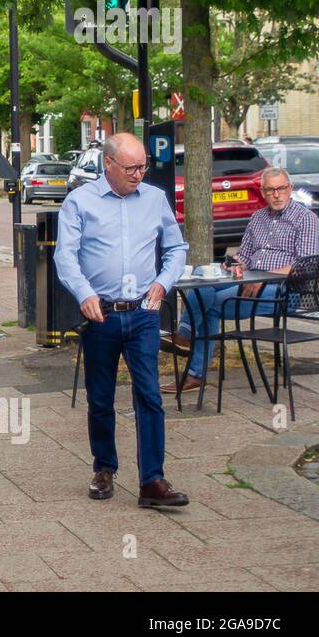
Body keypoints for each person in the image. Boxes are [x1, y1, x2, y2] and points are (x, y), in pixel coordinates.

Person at [54, 133, 190, 508]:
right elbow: (65, 256)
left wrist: (163, 284)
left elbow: (177, 247)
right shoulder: (80, 202)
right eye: (131, 167)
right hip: (102, 314)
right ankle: (104, 467)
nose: (139, 174)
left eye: (143, 166)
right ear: (108, 165)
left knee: (149, 394)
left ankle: (152, 480)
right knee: (100, 397)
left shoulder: (155, 198)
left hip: (144, 312)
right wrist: (84, 294)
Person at [165, 165, 319, 393]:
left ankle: (192, 362)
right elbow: (244, 255)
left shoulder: (305, 219)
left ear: (291, 188)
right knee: (203, 284)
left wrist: (265, 278)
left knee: (210, 306)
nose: (276, 195)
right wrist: (233, 265)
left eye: (281, 189)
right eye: (270, 190)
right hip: (248, 280)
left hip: (286, 290)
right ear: (262, 192)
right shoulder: (258, 218)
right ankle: (186, 337)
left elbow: (305, 266)